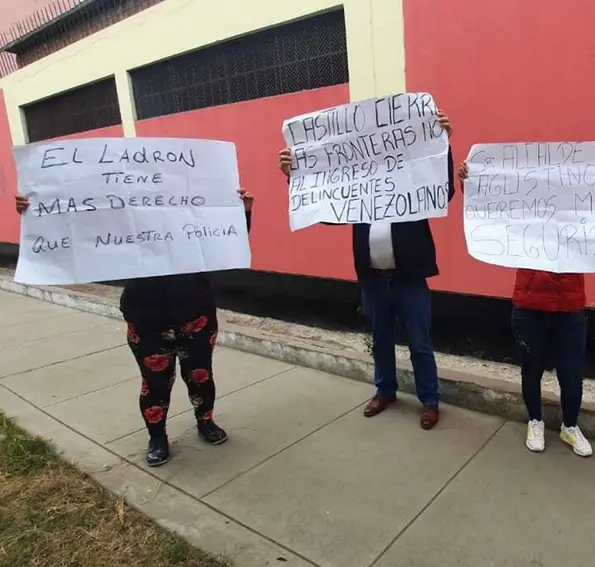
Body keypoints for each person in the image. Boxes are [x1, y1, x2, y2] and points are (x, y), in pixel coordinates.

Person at [15, 188, 256, 467]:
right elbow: (80, 232)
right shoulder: (121, 212)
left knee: (200, 376)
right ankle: (157, 436)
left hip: (195, 312)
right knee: (154, 383)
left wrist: (241, 210)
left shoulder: (189, 205)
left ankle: (205, 421)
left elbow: (225, 242)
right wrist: (36, 213)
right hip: (146, 315)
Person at [458, 158, 595, 457]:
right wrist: (471, 180)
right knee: (531, 369)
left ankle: (570, 426)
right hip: (530, 305)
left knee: (571, 373)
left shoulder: (579, 209)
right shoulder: (525, 206)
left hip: (569, 306)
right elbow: (493, 207)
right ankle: (535, 421)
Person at [278, 111, 455, 430]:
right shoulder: (358, 190)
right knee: (380, 339)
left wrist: (442, 144)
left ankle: (429, 400)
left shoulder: (414, 184)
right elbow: (325, 207)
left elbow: (444, 190)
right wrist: (297, 175)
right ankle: (385, 391)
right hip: (373, 281)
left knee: (419, 342)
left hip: (409, 280)